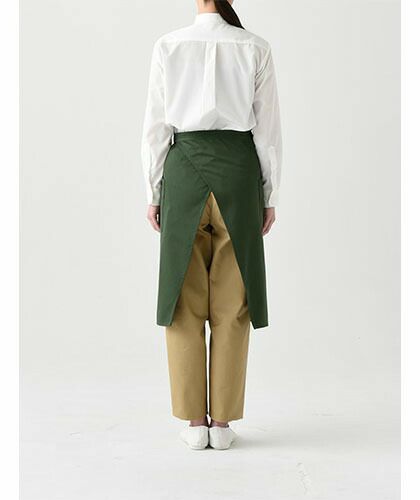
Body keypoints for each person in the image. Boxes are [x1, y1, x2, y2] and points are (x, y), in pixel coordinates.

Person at [141, 0, 282, 450]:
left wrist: (153, 191)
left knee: (182, 301)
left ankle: (194, 423)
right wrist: (269, 194)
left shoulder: (168, 45)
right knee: (233, 302)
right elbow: (267, 132)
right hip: (238, 178)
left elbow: (156, 128)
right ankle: (221, 424)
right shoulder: (255, 47)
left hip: (184, 176)